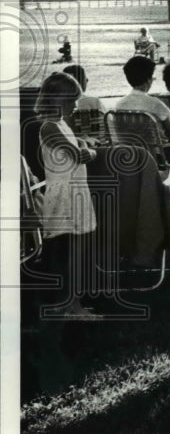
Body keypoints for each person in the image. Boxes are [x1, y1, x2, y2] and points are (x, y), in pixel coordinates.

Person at [34, 71, 99, 318]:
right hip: (64, 198)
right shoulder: (49, 127)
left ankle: (72, 304)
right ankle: (68, 305)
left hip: (75, 192)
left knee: (75, 252)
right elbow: (78, 153)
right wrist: (90, 152)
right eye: (71, 100)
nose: (75, 105)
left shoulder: (59, 124)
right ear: (58, 99)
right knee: (66, 254)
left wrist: (84, 146)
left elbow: (79, 144)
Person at [115, 56, 170, 144]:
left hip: (130, 154)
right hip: (158, 155)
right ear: (148, 79)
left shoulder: (119, 105)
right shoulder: (155, 104)